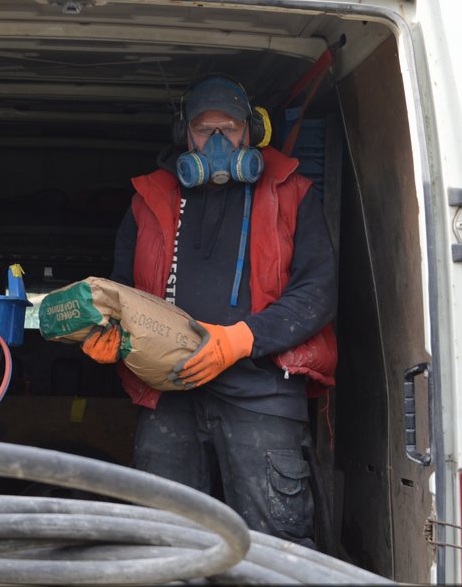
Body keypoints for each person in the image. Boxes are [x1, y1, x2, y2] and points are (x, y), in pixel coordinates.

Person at [82, 75, 338, 547]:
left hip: (261, 393)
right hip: (169, 393)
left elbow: (318, 291)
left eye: (230, 129)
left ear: (251, 132)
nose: (217, 142)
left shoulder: (292, 192)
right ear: (185, 134)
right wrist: (113, 338)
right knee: (163, 541)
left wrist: (242, 340)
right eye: (204, 130)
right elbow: (121, 292)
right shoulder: (147, 199)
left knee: (274, 547)